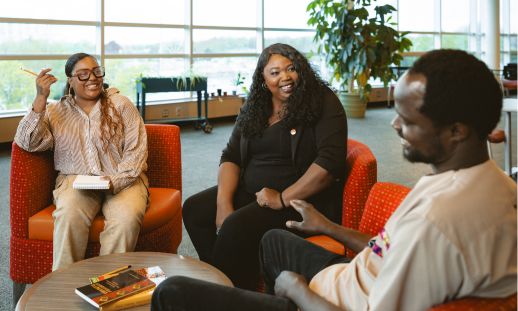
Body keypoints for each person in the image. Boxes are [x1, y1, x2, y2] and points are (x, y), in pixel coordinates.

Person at [152, 49, 517, 311]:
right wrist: (327, 226)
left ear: (456, 131)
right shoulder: (492, 184)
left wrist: (296, 288)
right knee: (273, 241)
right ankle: (236, 287)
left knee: (172, 293)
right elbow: (385, 251)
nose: (393, 125)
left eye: (407, 119)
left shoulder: (438, 221)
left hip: (328, 300)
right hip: (355, 274)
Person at [182, 43, 347, 289]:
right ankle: (231, 284)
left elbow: (329, 164)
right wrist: (223, 204)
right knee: (195, 210)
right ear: (263, 78)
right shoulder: (256, 106)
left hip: (299, 201)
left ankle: (220, 294)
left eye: (291, 68)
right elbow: (231, 155)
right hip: (252, 192)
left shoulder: (322, 100)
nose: (285, 77)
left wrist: (282, 198)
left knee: (236, 227)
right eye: (275, 72)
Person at [14, 53, 149, 271]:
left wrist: (116, 180)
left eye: (96, 72)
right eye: (83, 75)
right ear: (70, 80)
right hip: (75, 180)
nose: (93, 78)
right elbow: (27, 142)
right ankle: (64, 287)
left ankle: (109, 287)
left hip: (124, 178)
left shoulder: (121, 104)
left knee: (126, 219)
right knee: (68, 216)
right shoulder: (55, 111)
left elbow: (137, 150)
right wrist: (40, 97)